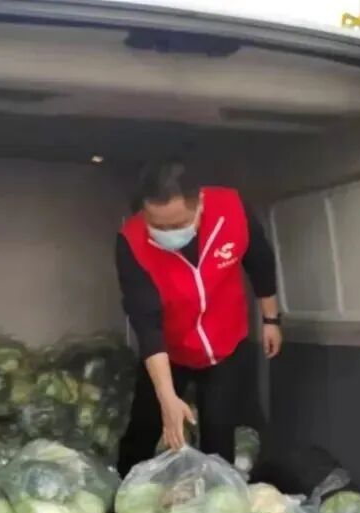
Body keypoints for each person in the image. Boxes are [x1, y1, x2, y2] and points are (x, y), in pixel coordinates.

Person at [115, 161, 282, 474]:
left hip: (225, 346)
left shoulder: (232, 210)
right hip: (169, 349)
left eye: (177, 224)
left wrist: (271, 320)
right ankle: (123, 489)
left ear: (200, 203)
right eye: (157, 225)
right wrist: (167, 397)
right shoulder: (131, 242)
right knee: (145, 426)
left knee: (219, 436)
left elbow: (260, 261)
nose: (167, 233)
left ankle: (214, 497)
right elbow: (146, 322)